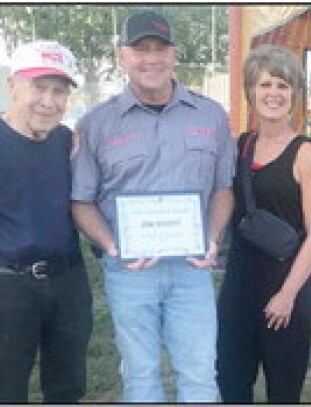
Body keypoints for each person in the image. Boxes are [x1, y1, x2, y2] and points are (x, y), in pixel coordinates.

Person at [71, 11, 236, 402]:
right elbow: (81, 201)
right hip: (129, 272)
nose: (151, 58)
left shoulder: (211, 116)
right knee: (141, 378)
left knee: (199, 375)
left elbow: (223, 190)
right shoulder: (96, 124)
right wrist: (114, 246)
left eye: (160, 49)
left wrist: (211, 238)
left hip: (191, 269)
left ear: (174, 55)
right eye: (140, 49)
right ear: (122, 56)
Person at [216, 44, 311, 403]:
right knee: (232, 382)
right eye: (265, 85)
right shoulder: (240, 146)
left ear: (295, 94)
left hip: (286, 286)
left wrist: (288, 294)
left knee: (283, 388)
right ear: (250, 91)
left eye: (283, 86)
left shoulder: (306, 153)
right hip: (239, 283)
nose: (273, 94)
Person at [0, 41, 92, 402]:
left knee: (68, 384)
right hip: (9, 286)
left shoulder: (67, 142)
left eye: (59, 91)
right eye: (39, 88)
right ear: (12, 86)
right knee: (7, 385)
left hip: (67, 280)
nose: (49, 101)